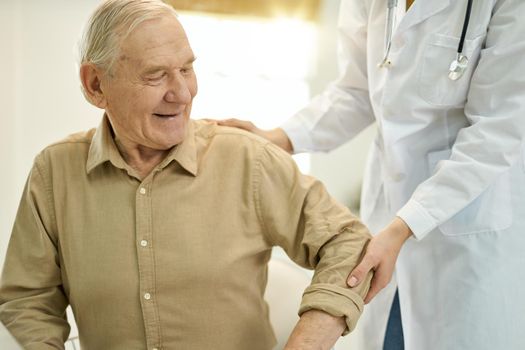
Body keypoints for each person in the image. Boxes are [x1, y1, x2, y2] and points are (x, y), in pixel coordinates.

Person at [0, 1, 375, 349]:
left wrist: (306, 343)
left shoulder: (247, 159)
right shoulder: (54, 172)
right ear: (96, 84)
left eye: (186, 69)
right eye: (156, 75)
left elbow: (349, 242)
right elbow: (28, 300)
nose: (181, 93)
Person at [218, 0, 525, 349]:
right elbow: (356, 92)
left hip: (467, 235)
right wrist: (279, 138)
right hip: (388, 222)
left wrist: (402, 227)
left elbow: (496, 133)